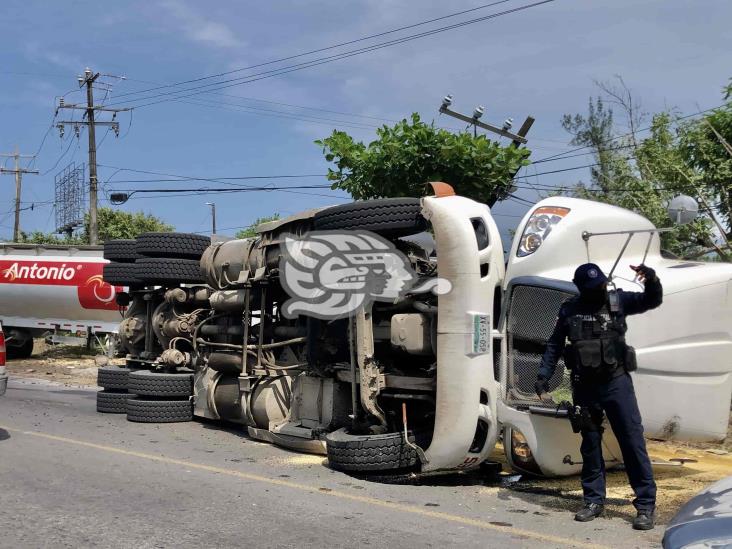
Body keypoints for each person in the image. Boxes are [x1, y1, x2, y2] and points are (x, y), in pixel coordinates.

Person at [535, 262, 663, 530]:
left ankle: (645, 505)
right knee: (590, 445)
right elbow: (555, 343)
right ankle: (593, 501)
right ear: (582, 288)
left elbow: (653, 300)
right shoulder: (570, 309)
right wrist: (543, 376)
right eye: (595, 287)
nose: (601, 289)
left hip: (617, 384)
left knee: (631, 442)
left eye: (603, 283)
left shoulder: (618, 301)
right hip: (585, 387)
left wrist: (651, 279)